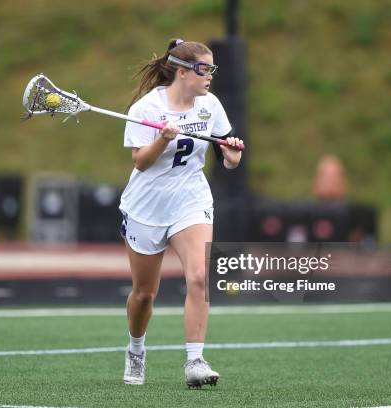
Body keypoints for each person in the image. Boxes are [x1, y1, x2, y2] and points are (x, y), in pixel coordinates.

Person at [118, 38, 244, 388]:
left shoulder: (210, 105)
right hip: (147, 206)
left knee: (200, 277)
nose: (210, 76)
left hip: (190, 200)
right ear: (183, 72)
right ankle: (136, 349)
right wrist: (162, 139)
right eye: (204, 69)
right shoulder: (146, 108)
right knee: (145, 294)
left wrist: (233, 153)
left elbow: (229, 159)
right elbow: (141, 163)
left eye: (212, 69)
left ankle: (195, 361)